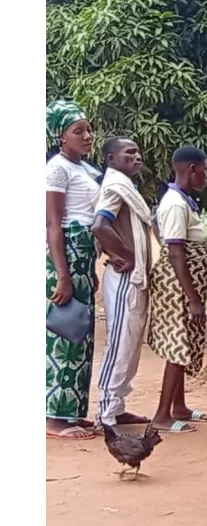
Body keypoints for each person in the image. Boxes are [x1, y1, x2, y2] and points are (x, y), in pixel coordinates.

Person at [147, 146, 207, 433]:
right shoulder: (175, 203)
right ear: (192, 169)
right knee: (178, 344)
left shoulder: (182, 200)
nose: (206, 177)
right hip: (179, 287)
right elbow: (176, 252)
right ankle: (162, 415)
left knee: (183, 342)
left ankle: (179, 406)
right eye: (204, 171)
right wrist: (193, 299)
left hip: (184, 283)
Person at [46, 100, 101, 440]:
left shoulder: (85, 169)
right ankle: (53, 419)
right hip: (65, 256)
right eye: (78, 131)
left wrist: (88, 267)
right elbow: (54, 224)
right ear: (61, 136)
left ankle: (72, 412)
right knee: (63, 333)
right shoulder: (57, 169)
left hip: (82, 257)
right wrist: (63, 275)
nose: (87, 135)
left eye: (89, 130)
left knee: (81, 334)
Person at [91, 137, 153, 427]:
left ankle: (117, 407)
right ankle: (106, 412)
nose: (137, 156)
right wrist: (127, 256)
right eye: (129, 152)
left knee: (130, 343)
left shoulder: (126, 186)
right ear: (111, 159)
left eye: (138, 152)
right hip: (124, 277)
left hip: (133, 276)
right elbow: (99, 225)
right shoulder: (115, 188)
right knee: (119, 343)